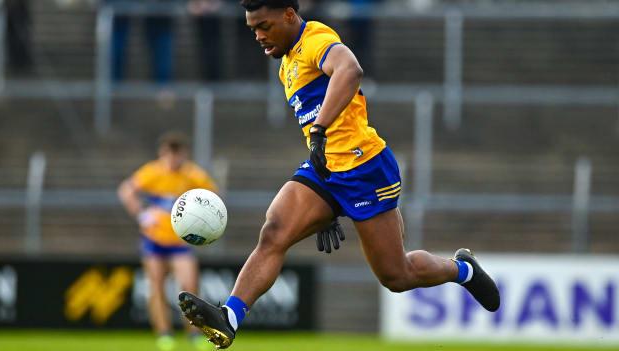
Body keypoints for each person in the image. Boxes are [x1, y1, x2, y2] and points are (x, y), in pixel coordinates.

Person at [177, 1, 500, 349]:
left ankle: (462, 269)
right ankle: (230, 317)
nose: (258, 36)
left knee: (397, 274)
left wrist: (319, 129)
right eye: (252, 28)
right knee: (274, 232)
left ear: (289, 14)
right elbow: (320, 124)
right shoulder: (285, 66)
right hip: (326, 170)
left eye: (264, 26)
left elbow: (350, 70)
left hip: (365, 169)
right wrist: (325, 206)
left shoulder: (314, 38)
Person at [118, 131, 218, 351]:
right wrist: (141, 215)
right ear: (162, 154)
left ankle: (194, 334)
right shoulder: (152, 172)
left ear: (183, 154)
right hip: (154, 241)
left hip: (180, 242)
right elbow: (126, 190)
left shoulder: (193, 175)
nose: (172, 160)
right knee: (157, 287)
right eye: (168, 155)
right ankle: (164, 334)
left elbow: (212, 197)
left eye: (176, 155)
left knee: (190, 287)